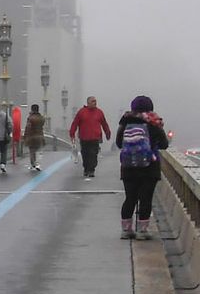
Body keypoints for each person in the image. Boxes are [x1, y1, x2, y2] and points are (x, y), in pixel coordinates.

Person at [116, 95, 172, 239]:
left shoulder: (125, 121)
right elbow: (165, 144)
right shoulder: (153, 122)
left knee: (130, 198)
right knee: (145, 199)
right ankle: (142, 231)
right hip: (149, 167)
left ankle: (126, 230)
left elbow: (118, 143)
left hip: (128, 166)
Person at [71, 96, 111, 181]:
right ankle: (86, 168)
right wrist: (72, 133)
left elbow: (104, 123)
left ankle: (91, 170)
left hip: (95, 138)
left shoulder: (99, 112)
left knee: (93, 154)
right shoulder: (82, 112)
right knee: (85, 154)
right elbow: (75, 123)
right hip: (84, 137)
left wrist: (107, 133)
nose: (95, 103)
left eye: (95, 101)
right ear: (88, 103)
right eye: (93, 101)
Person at [22, 102, 48, 173]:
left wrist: (24, 137)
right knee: (39, 151)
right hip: (40, 136)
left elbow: (28, 128)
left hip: (32, 137)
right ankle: (38, 164)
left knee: (32, 151)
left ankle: (33, 165)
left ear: (32, 110)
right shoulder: (42, 118)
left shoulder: (30, 118)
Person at [10, 102, 24, 168]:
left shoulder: (13, 114)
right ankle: (19, 154)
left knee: (13, 145)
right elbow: (18, 123)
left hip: (14, 131)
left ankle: (13, 157)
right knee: (18, 143)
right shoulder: (19, 113)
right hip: (18, 131)